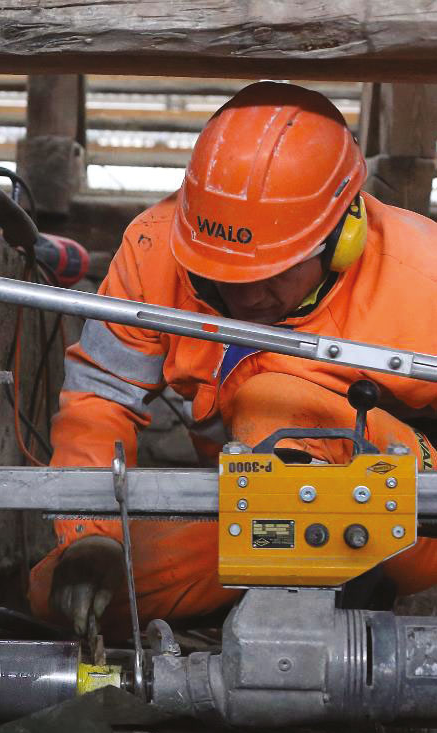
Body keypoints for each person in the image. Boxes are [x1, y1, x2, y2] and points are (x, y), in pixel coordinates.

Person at [27, 81, 437, 637]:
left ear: (344, 237)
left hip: (408, 512)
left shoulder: (422, 274)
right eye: (219, 275)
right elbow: (101, 400)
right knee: (66, 594)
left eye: (271, 275)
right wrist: (92, 536)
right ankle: (265, 597)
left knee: (275, 399)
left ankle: (334, 612)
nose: (244, 299)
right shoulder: (154, 251)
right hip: (251, 510)